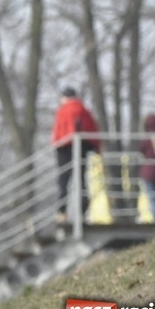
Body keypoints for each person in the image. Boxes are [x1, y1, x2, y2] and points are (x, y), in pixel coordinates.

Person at [50, 87, 100, 222]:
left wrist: (57, 145)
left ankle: (62, 212)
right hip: (82, 149)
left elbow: (58, 133)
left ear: (65, 98)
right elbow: (92, 130)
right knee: (81, 180)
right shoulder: (84, 111)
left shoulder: (62, 111)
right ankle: (82, 211)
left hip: (65, 150)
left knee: (64, 181)